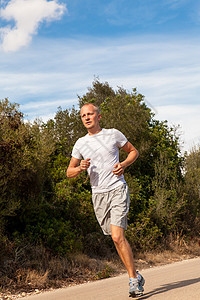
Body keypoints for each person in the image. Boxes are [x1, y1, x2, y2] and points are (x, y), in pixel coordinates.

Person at [67, 103, 145, 297]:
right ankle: (136, 274)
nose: (86, 118)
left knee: (118, 236)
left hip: (117, 188)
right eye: (83, 115)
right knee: (114, 239)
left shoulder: (113, 134)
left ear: (98, 116)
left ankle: (133, 280)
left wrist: (124, 164)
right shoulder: (80, 143)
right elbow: (69, 172)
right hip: (98, 195)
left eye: (90, 114)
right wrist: (80, 168)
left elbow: (133, 151)